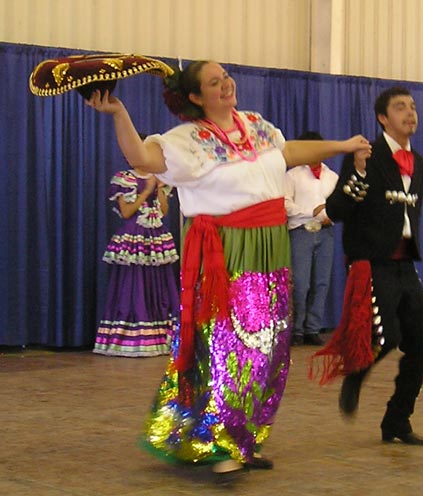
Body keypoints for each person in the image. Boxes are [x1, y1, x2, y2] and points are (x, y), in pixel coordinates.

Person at [86, 60, 371, 476]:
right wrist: (120, 114)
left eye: (226, 78)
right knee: (233, 348)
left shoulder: (255, 125)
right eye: (214, 82)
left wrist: (343, 146)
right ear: (196, 97)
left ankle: (242, 437)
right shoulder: (186, 140)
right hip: (226, 254)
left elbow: (289, 151)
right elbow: (141, 158)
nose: (226, 85)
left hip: (271, 249)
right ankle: (220, 445)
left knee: (269, 350)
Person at [312, 86, 423, 446]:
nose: (410, 113)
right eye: (400, 108)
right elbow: (336, 211)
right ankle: (355, 373)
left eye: (412, 107)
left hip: (404, 262)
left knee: (422, 342)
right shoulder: (366, 154)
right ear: (383, 118)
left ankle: (397, 419)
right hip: (370, 261)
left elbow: (408, 212)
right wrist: (360, 173)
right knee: (388, 337)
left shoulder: (421, 163)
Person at [93, 167, 180, 357]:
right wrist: (146, 191)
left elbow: (163, 211)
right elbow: (126, 212)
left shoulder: (160, 178)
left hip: (155, 238)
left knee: (156, 286)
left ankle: (158, 338)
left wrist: (157, 189)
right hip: (134, 238)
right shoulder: (125, 179)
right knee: (133, 285)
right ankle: (130, 338)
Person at [285, 131, 338, 346]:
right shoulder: (293, 175)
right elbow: (285, 204)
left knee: (322, 282)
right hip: (302, 231)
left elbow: (339, 205)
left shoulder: (332, 176)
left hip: (326, 233)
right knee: (301, 283)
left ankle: (313, 328)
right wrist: (312, 212)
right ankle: (297, 329)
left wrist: (329, 215)